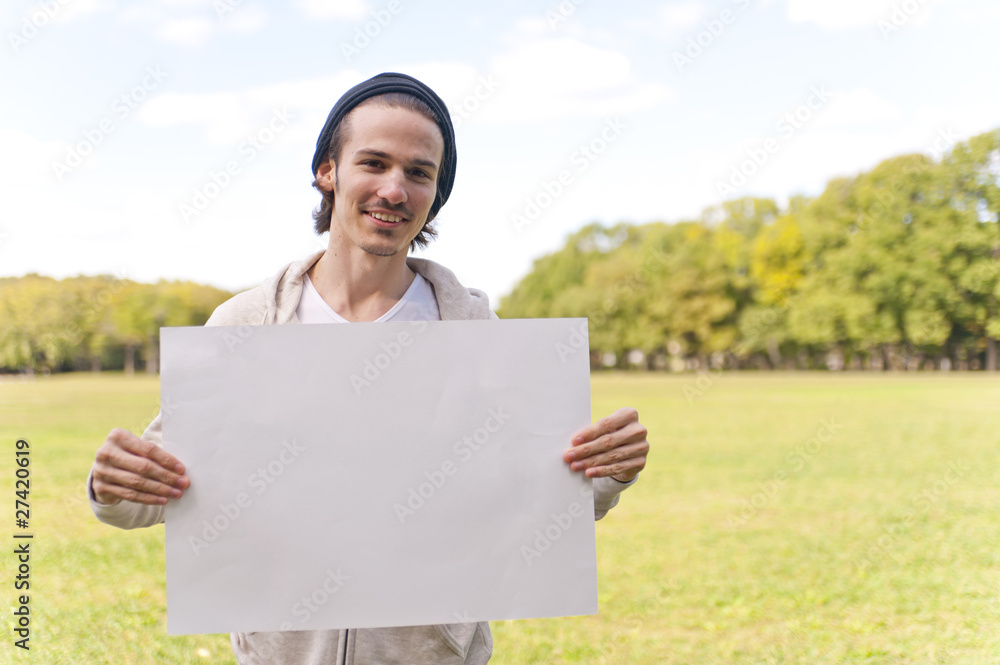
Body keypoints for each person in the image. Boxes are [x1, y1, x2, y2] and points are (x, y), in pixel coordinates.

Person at [88, 72, 650, 665]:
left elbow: (533, 503)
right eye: (373, 162)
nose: (394, 189)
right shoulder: (244, 325)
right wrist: (113, 486)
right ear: (328, 171)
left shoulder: (474, 332)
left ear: (436, 192)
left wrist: (605, 473)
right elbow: (153, 497)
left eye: (418, 172)